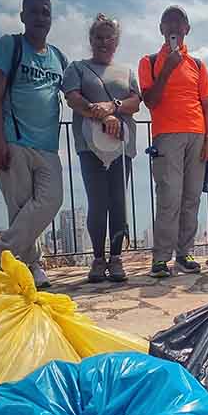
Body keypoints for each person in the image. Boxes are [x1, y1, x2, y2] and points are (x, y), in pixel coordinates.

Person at [0, 0, 68, 289]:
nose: (40, 17)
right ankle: (32, 265)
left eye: (46, 12)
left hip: (48, 145)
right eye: (34, 11)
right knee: (20, 207)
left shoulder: (58, 57)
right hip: (13, 139)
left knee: (51, 199)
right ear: (22, 16)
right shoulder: (9, 45)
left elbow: (74, 91)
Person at [138, 5, 208, 278]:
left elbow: (207, 104)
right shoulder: (149, 61)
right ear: (161, 29)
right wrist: (168, 68)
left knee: (191, 197)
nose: (173, 27)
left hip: (197, 135)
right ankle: (161, 259)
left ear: (187, 29)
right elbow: (150, 101)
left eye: (179, 22)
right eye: (168, 22)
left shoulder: (198, 64)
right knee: (169, 197)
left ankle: (184, 254)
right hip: (166, 136)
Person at [63, 14, 142, 283]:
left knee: (118, 202)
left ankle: (116, 258)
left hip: (121, 146)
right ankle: (98, 258)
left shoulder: (127, 72)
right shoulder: (78, 68)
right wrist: (105, 116)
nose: (104, 42)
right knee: (97, 202)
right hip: (90, 145)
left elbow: (135, 103)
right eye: (99, 37)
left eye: (109, 37)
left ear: (116, 42)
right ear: (91, 39)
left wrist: (113, 107)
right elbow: (73, 98)